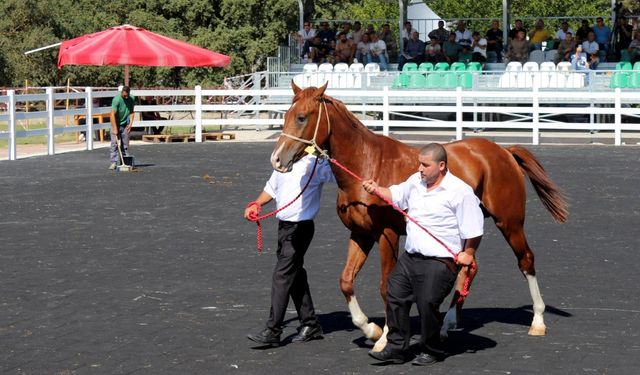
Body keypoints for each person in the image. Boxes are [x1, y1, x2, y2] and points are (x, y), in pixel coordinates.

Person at [362, 143, 483, 366]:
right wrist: (377, 189)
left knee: (427, 302)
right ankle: (396, 347)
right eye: (419, 163)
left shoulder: (460, 192)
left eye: (425, 165)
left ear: (442, 166)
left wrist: (468, 252)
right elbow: (395, 194)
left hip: (440, 261)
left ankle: (431, 349)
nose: (420, 168)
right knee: (394, 293)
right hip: (410, 258)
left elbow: (474, 229)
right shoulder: (415, 182)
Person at [244, 154, 335, 346]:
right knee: (295, 275)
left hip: (300, 228)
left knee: (282, 275)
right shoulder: (283, 161)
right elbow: (271, 188)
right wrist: (257, 203)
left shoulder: (315, 164)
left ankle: (273, 330)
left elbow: (338, 175)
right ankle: (310, 324)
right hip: (284, 228)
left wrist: (330, 157)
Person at [109, 86, 135, 170]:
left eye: (127, 95)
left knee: (125, 144)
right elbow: (112, 114)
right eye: (124, 96)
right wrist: (114, 128)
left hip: (125, 123)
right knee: (114, 143)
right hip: (115, 122)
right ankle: (113, 162)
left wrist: (130, 124)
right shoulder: (117, 100)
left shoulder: (132, 99)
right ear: (122, 93)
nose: (126, 97)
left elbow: (131, 112)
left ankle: (124, 161)